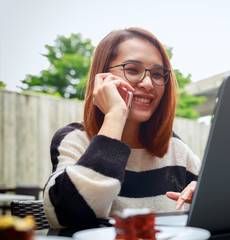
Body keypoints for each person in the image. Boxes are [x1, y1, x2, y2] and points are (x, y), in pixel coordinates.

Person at [43, 27, 201, 228]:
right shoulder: (73, 140)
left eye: (158, 74)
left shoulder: (177, 149)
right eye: (133, 70)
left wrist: (205, 195)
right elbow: (67, 217)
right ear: (102, 77)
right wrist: (115, 114)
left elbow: (218, 205)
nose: (148, 83)